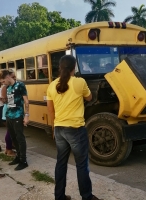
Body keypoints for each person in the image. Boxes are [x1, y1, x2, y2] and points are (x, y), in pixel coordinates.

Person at [47, 55, 101, 200]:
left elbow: (50, 110)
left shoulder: (52, 85)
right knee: (82, 165)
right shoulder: (79, 82)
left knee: (61, 164)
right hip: (75, 129)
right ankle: (87, 196)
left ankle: (59, 196)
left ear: (60, 67)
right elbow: (89, 97)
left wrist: (53, 128)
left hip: (59, 129)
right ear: (74, 68)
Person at [0, 69, 29, 171]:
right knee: (13, 137)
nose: (3, 84)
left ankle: (24, 161)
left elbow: (26, 101)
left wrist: (27, 115)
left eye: (2, 81)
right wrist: (4, 100)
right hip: (9, 115)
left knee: (20, 137)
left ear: (7, 77)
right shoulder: (8, 87)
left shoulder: (20, 85)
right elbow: (10, 102)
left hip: (18, 115)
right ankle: (18, 157)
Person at [1, 69, 16, 157]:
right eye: (13, 77)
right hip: (8, 111)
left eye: (15, 77)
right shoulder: (5, 87)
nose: (14, 79)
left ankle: (10, 147)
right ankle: (8, 149)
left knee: (12, 131)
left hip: (13, 110)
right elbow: (5, 100)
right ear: (8, 77)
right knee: (10, 131)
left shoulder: (14, 86)